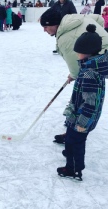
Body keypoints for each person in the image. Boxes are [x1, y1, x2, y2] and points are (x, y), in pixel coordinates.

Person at [40, 9, 108, 144]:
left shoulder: (65, 39)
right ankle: (73, 128)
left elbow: (77, 69)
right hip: (101, 55)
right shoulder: (72, 18)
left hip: (99, 61)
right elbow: (98, 19)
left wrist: (73, 75)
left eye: (46, 27)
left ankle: (75, 133)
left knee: (85, 97)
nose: (44, 30)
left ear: (54, 24)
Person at [57, 24, 108, 181]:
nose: (76, 54)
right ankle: (72, 157)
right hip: (79, 113)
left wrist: (82, 123)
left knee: (74, 142)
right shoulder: (91, 67)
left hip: (82, 117)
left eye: (78, 51)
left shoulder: (89, 73)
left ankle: (73, 168)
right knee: (74, 141)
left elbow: (91, 103)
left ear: (85, 52)